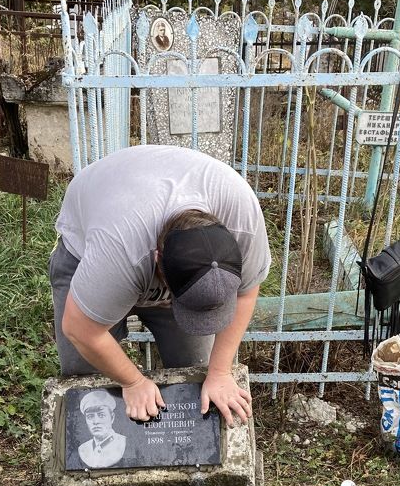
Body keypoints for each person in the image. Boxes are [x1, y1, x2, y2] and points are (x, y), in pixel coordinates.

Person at [49, 144, 271, 427]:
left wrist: (220, 372)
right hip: (91, 240)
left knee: (195, 366)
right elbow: (80, 329)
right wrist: (132, 381)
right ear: (158, 261)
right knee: (85, 377)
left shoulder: (243, 222)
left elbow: (247, 292)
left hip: (143, 222)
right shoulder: (121, 252)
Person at [77, 389, 127, 468]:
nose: (96, 421)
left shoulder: (123, 443)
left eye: (101, 415)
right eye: (90, 416)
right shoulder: (83, 449)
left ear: (112, 417)